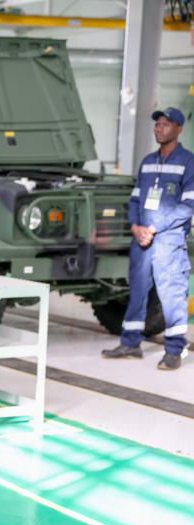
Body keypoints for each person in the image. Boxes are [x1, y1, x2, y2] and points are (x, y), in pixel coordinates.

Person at [103, 107, 194, 370]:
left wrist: (154, 227)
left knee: (172, 295)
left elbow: (188, 206)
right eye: (157, 124)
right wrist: (135, 226)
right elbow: (134, 200)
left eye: (166, 125)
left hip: (168, 241)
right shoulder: (147, 161)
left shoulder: (188, 162)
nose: (159, 128)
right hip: (142, 240)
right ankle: (130, 343)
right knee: (137, 292)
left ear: (178, 128)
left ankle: (175, 350)